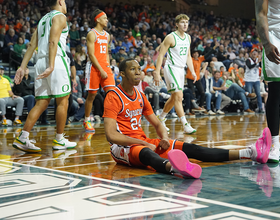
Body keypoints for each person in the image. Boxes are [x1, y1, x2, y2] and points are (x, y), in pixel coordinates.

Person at [103, 58, 271, 179]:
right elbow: (111, 136)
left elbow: (157, 123)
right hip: (121, 148)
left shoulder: (140, 95)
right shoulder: (113, 96)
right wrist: (143, 143)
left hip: (142, 141)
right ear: (122, 74)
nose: (138, 72)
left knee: (192, 149)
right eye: (133, 69)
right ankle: (176, 169)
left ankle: (250, 152)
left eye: (139, 69)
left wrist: (165, 138)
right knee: (146, 153)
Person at [12, 0, 77, 152]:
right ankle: (59, 140)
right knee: (63, 101)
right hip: (55, 61)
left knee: (41, 102)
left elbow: (31, 45)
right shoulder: (60, 16)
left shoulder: (43, 20)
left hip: (39, 62)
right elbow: (53, 41)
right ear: (60, 1)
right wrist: (52, 65)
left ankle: (23, 137)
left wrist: (22, 67)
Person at [153, 14, 197, 134]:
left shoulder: (188, 37)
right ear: (177, 24)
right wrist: (157, 72)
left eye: (187, 22)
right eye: (182, 22)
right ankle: (185, 124)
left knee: (174, 98)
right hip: (171, 68)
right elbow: (161, 55)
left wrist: (192, 71)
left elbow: (188, 56)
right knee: (178, 97)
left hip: (181, 70)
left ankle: (161, 118)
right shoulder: (170, 37)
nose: (185, 24)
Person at [255, 0, 280, 162]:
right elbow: (260, 13)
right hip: (275, 36)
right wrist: (266, 43)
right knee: (277, 90)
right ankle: (275, 145)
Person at [84, 9, 115, 132]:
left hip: (104, 66)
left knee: (112, 94)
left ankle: (112, 119)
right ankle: (86, 120)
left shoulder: (107, 35)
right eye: (105, 18)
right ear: (97, 19)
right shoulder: (91, 34)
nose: (107, 20)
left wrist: (107, 66)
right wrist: (101, 69)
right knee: (92, 95)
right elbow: (91, 55)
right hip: (93, 67)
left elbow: (107, 52)